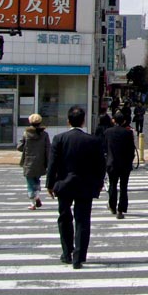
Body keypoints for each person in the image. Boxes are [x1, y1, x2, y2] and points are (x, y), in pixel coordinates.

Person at [46, 106, 105, 269]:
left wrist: (50, 184)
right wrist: (99, 183)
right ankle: (79, 256)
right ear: (84, 120)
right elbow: (101, 165)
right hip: (86, 184)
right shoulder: (93, 140)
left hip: (64, 184)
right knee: (83, 220)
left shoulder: (59, 139)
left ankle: (67, 253)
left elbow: (53, 164)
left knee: (64, 218)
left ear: (68, 121)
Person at [103, 112, 136, 219]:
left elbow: (104, 148)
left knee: (112, 185)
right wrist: (130, 161)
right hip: (125, 164)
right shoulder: (128, 133)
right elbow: (131, 150)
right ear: (124, 121)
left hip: (111, 163)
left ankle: (112, 206)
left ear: (114, 120)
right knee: (123, 186)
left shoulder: (107, 132)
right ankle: (121, 209)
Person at [17, 113, 51, 210]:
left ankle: (33, 201)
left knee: (29, 182)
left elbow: (19, 147)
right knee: (37, 179)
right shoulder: (44, 134)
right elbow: (48, 149)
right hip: (40, 161)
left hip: (28, 161)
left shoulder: (26, 134)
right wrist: (48, 162)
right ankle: (37, 195)